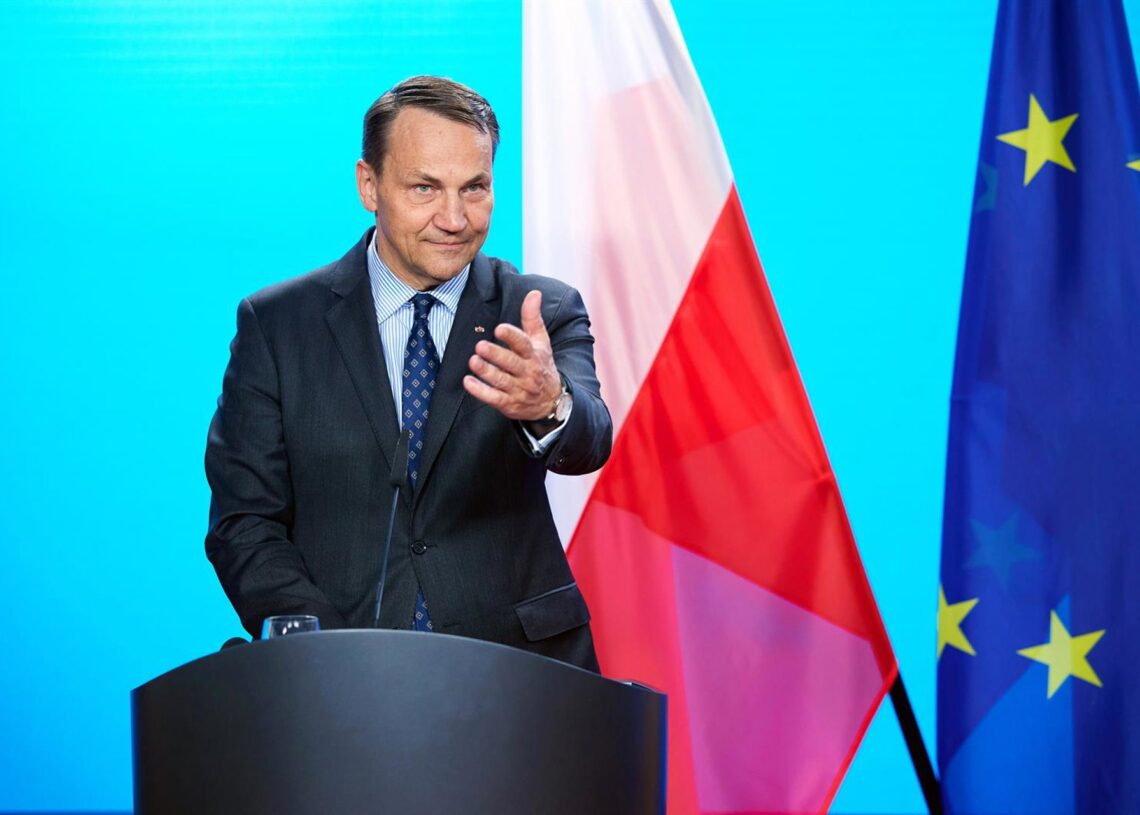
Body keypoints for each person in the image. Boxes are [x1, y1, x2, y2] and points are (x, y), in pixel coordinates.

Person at [204, 76, 611, 671]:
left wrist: (549, 402)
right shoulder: (277, 325)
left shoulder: (538, 312)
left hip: (523, 679)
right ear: (369, 185)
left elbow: (588, 440)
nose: (454, 217)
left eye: (475, 188)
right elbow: (245, 522)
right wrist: (321, 646)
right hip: (337, 683)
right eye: (425, 187)